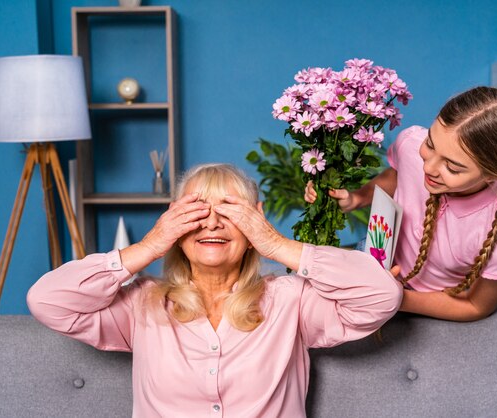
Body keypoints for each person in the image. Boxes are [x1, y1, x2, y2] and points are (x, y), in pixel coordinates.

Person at [27, 163, 402, 417]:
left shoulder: (292, 301)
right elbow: (46, 301)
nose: (212, 224)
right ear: (174, 221)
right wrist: (151, 245)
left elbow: (382, 295)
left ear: (254, 219)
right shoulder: (140, 304)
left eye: (229, 211)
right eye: (195, 212)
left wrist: (274, 243)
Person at [305, 86, 497, 322]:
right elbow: (398, 175)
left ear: (492, 174)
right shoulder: (410, 143)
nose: (428, 168)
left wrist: (393, 297)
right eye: (430, 145)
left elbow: (476, 306)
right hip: (380, 265)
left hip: (433, 305)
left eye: (452, 167)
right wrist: (357, 198)